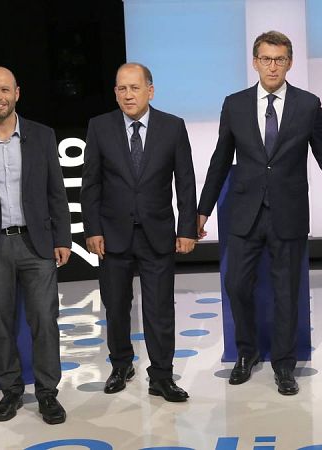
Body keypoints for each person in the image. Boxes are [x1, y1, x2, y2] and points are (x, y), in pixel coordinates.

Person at [197, 30, 322, 395]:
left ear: (290, 63)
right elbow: (220, 159)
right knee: (236, 285)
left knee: (287, 292)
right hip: (245, 212)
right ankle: (247, 352)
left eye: (280, 59)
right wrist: (202, 210)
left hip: (289, 212)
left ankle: (284, 365)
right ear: (255, 62)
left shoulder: (308, 104)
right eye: (267, 59)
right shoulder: (235, 104)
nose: (273, 66)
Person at [0, 67, 71, 424]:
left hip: (37, 243)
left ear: (17, 93)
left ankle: (48, 393)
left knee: (45, 320)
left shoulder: (42, 135)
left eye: (4, 90)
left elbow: (55, 189)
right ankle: (11, 391)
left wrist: (63, 237)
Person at [81, 63, 197, 402]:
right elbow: (91, 183)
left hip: (157, 232)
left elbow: (185, 182)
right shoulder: (100, 126)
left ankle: (161, 375)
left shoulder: (172, 126)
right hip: (112, 234)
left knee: (160, 309)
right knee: (116, 306)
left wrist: (186, 228)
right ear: (115, 93)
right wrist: (92, 229)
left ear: (150, 90)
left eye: (134, 87)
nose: (128, 95)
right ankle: (121, 365)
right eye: (122, 88)